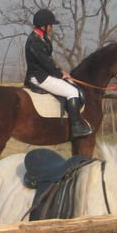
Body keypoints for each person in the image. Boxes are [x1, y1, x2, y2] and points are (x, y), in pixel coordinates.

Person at [24, 8, 92, 139]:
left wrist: (61, 72)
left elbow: (48, 62)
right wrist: (60, 74)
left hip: (44, 74)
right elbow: (45, 63)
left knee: (72, 86)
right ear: (43, 26)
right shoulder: (35, 42)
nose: (51, 28)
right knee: (72, 92)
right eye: (49, 25)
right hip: (39, 77)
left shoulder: (42, 38)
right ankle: (76, 127)